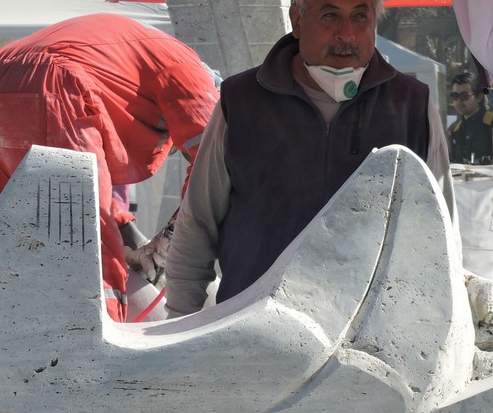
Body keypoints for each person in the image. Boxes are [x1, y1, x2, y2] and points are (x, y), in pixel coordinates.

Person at [165, 0, 452, 317]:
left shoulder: (412, 105)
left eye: (360, 16)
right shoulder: (241, 101)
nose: (347, 34)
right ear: (297, 20)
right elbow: (198, 224)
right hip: (251, 332)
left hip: (373, 337)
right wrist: (180, 320)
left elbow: (440, 235)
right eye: (330, 16)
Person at [0, 13, 218, 322]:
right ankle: (102, 357)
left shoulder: (127, 64)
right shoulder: (190, 72)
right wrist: (170, 245)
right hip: (56, 85)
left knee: (2, 244)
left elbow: (91, 183)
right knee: (91, 256)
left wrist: (124, 231)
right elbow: (215, 166)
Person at [448, 70, 493, 165]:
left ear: (479, 97)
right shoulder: (455, 130)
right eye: (455, 96)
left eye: (464, 96)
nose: (459, 101)